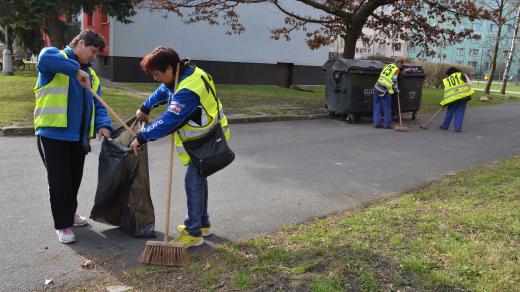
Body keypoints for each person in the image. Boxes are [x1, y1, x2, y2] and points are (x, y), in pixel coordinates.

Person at [130, 46, 230, 248]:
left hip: (207, 140)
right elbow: (163, 90)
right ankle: (202, 225)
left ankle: (193, 233)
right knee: (199, 179)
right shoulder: (182, 73)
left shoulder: (188, 89)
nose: (156, 78)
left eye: (157, 74)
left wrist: (142, 137)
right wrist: (146, 106)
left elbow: (170, 120)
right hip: (205, 137)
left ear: (169, 69)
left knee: (193, 181)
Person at [35, 30, 112, 244]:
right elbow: (44, 58)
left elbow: (98, 104)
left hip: (79, 138)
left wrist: (103, 125)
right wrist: (76, 70)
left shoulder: (92, 76)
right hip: (53, 135)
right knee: (59, 181)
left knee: (73, 179)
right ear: (80, 43)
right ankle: (62, 224)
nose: (94, 57)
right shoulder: (55, 58)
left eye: (97, 54)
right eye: (93, 51)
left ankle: (70, 213)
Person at [373, 57, 405, 129]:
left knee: (377, 106)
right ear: (399, 63)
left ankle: (376, 123)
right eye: (402, 64)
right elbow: (394, 81)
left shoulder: (387, 66)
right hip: (385, 90)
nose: (402, 66)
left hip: (377, 87)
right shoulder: (396, 69)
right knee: (387, 108)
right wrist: (396, 89)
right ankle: (387, 124)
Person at [439, 67, 475, 132]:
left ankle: (445, 126)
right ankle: (457, 128)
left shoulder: (446, 80)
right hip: (463, 97)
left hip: (452, 99)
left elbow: (447, 92)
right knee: (460, 112)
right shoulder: (462, 75)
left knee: (450, 112)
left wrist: (445, 102)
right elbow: (470, 84)